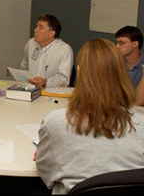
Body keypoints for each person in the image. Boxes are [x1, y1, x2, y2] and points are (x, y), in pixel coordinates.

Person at [34, 38, 144, 194]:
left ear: (79, 71)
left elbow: (46, 174)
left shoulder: (56, 122)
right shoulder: (141, 124)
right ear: (121, 72)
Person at [20, 14, 73, 87]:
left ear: (51, 33)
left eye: (40, 27)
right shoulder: (31, 43)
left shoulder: (64, 49)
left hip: (51, 92)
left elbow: (64, 79)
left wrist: (45, 82)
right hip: (30, 88)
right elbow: (25, 65)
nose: (35, 30)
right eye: (36, 26)